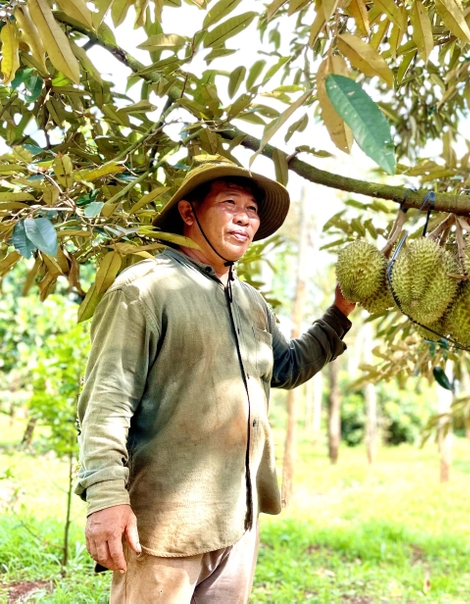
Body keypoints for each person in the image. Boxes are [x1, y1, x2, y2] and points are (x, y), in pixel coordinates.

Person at [75, 160, 356, 603]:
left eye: (252, 209)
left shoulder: (250, 302)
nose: (245, 217)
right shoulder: (145, 289)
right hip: (165, 526)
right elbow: (107, 402)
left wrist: (339, 313)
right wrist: (106, 498)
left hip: (236, 521)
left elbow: (287, 368)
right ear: (189, 213)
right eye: (230, 204)